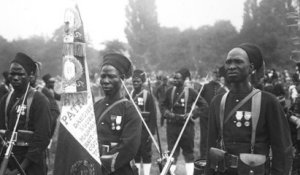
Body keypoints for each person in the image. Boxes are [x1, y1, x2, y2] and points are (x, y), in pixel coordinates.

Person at [206, 43, 293, 175]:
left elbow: (282, 150)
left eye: (238, 62)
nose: (231, 66)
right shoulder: (217, 102)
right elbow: (210, 146)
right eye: (228, 62)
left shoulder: (268, 101)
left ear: (251, 67)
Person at [0, 52, 51, 175]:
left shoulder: (40, 100)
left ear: (30, 75)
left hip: (30, 164)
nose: (15, 78)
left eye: (20, 74)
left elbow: (42, 138)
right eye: (12, 74)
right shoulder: (5, 99)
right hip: (7, 162)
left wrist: (19, 169)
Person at [94, 53, 142, 175]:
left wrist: (102, 164)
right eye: (102, 76)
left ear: (121, 78)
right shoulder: (96, 106)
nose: (105, 81)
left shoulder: (130, 110)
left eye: (111, 76)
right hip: (94, 167)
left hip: (120, 170)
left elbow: (129, 146)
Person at [162, 68, 208, 175]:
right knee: (172, 153)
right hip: (172, 127)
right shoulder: (169, 91)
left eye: (177, 78)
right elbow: (162, 105)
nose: (175, 80)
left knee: (189, 154)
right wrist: (166, 113)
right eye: (174, 78)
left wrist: (192, 114)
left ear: (184, 79)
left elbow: (204, 105)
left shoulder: (191, 92)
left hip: (186, 127)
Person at [129, 69, 156, 175]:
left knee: (146, 153)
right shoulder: (128, 94)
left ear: (142, 82)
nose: (135, 83)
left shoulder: (147, 95)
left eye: (138, 81)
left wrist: (151, 132)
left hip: (145, 129)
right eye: (134, 81)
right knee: (135, 153)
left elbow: (153, 115)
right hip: (132, 130)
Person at [199, 69, 221, 160]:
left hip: (217, 116)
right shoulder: (205, 86)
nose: (217, 77)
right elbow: (198, 99)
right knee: (204, 136)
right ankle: (204, 155)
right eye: (215, 75)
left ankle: (214, 155)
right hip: (205, 116)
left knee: (217, 136)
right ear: (212, 76)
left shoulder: (221, 87)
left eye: (218, 76)